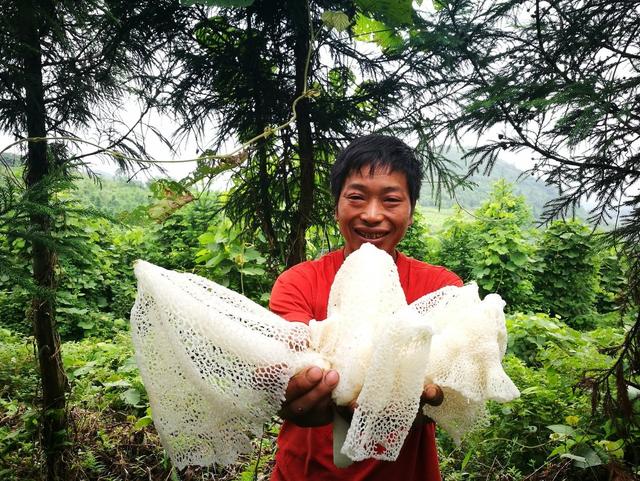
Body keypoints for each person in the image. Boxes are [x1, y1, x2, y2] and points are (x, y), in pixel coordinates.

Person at [269, 134, 463, 481]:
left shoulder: (441, 289)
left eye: (391, 200)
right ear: (337, 206)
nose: (372, 215)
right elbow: (289, 358)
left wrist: (437, 397)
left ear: (411, 211)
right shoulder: (297, 282)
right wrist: (286, 388)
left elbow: (451, 377)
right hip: (304, 473)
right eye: (356, 197)